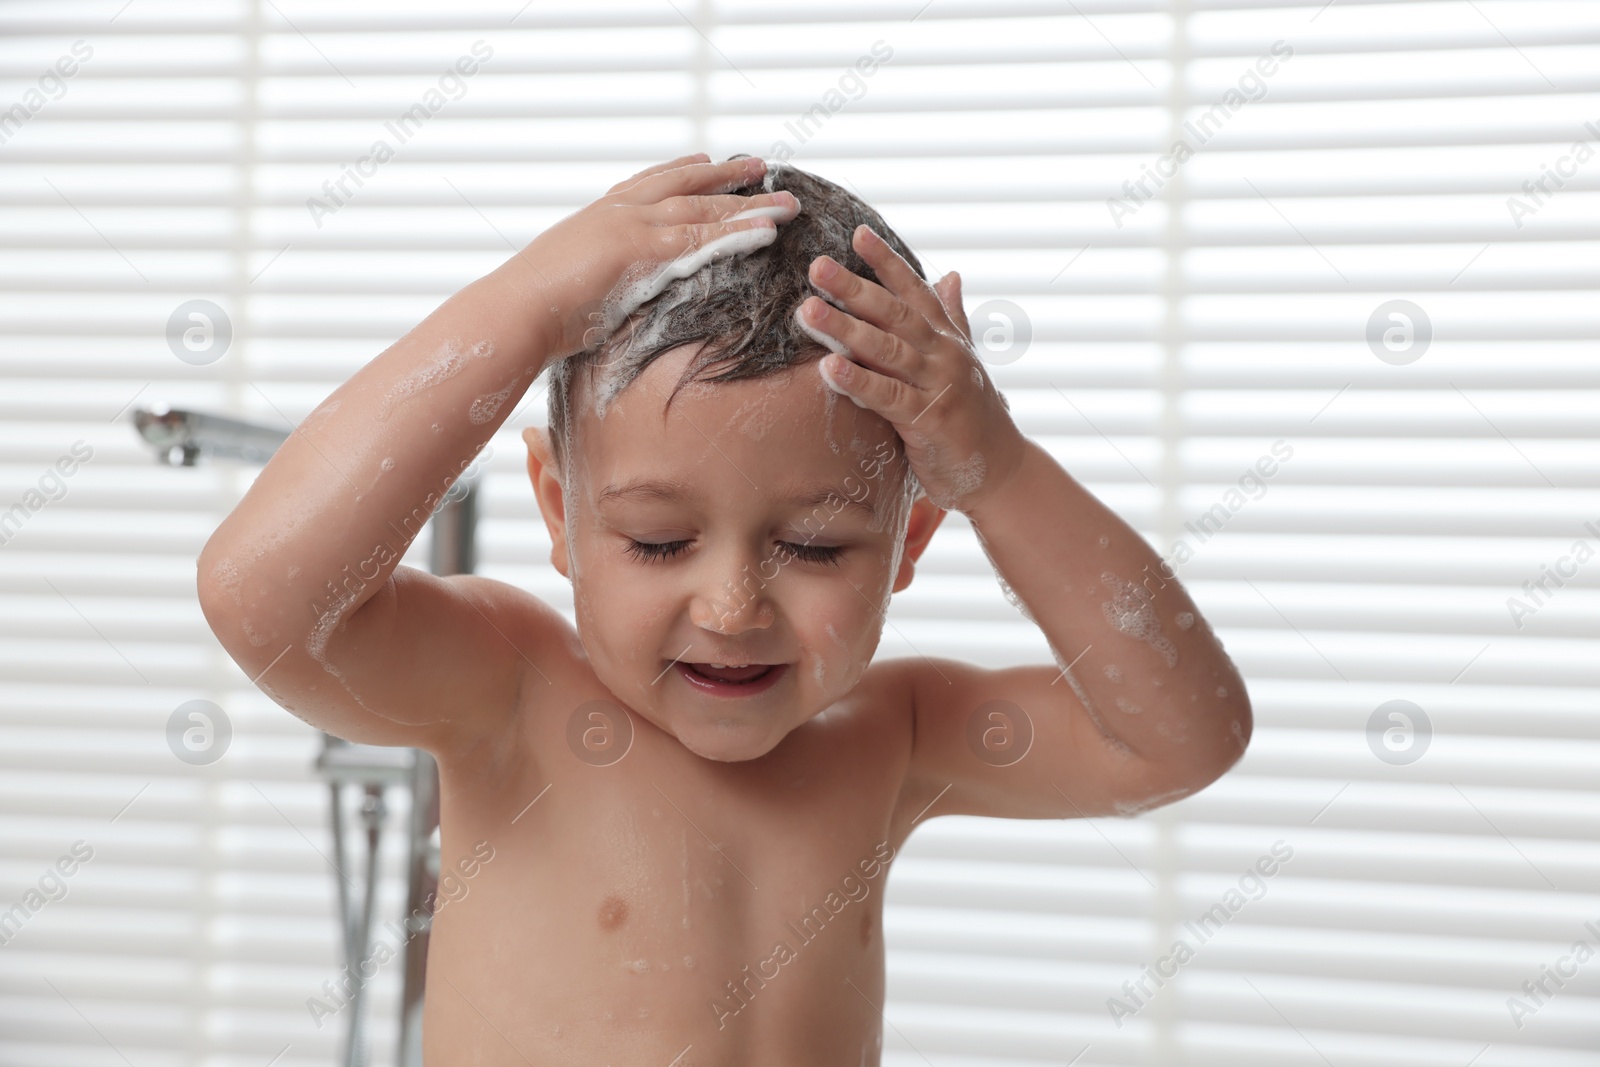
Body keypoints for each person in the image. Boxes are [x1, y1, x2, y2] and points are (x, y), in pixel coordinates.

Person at [197, 152, 1250, 1064]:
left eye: (816, 544)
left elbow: (1180, 736)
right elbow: (265, 597)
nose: (734, 604)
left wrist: (1000, 470)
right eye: (658, 539)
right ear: (561, 515)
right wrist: (524, 307)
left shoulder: (890, 734)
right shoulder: (509, 689)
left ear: (908, 543)